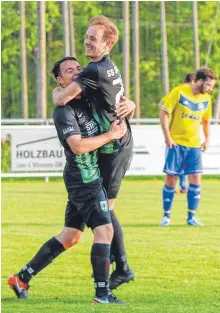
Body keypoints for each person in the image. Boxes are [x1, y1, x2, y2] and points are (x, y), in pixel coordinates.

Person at [8, 57, 130, 304]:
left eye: (77, 68)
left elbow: (115, 98)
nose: (75, 72)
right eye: (68, 70)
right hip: (83, 178)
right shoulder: (64, 111)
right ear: (60, 80)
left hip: (87, 176)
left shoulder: (88, 99)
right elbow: (77, 146)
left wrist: (131, 103)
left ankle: (21, 278)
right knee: (104, 231)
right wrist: (110, 135)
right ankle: (102, 295)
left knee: (70, 236)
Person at [52, 16, 135, 289]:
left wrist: (57, 90)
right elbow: (119, 100)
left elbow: (61, 98)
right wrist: (131, 104)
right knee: (101, 209)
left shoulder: (93, 70)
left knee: (106, 209)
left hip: (115, 146)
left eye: (93, 38)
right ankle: (117, 264)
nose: (87, 41)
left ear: (108, 43)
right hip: (113, 143)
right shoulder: (107, 67)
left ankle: (121, 267)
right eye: (86, 37)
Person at [159, 67, 217, 226]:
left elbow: (206, 121)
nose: (210, 89)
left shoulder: (206, 99)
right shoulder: (179, 91)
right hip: (176, 144)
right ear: (199, 81)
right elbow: (164, 112)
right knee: (171, 179)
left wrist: (206, 139)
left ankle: (191, 217)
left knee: (196, 180)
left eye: (212, 86)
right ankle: (166, 216)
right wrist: (167, 137)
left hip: (194, 146)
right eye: (209, 85)